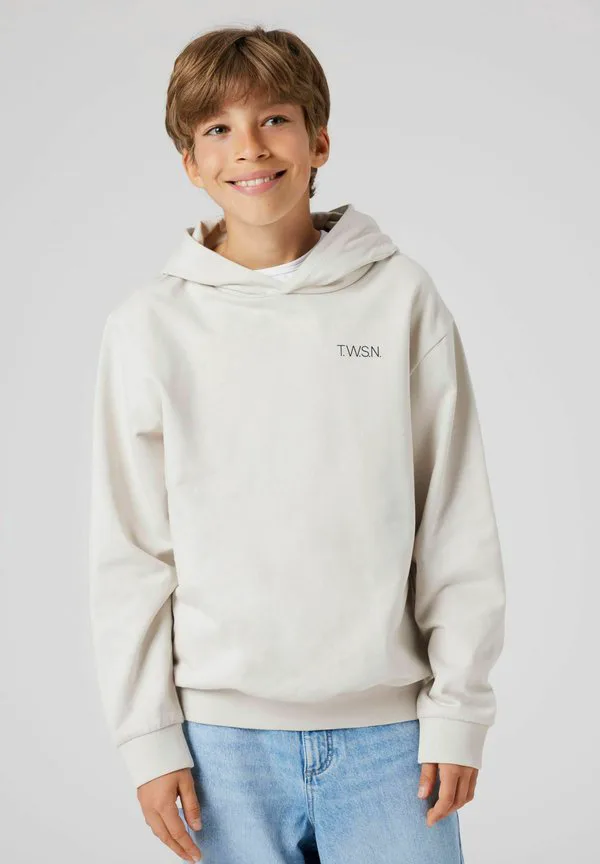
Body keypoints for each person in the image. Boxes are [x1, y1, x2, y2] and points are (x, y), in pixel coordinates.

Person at [88, 23, 506, 864]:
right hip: (219, 747)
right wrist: (148, 738)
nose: (249, 147)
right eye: (217, 129)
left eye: (274, 119)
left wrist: (458, 709)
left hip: (392, 742)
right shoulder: (149, 326)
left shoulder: (400, 297)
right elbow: (131, 551)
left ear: (319, 142)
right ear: (190, 163)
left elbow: (453, 514)